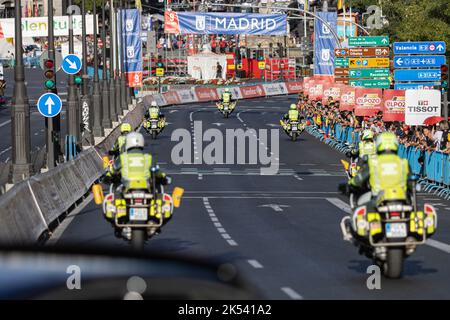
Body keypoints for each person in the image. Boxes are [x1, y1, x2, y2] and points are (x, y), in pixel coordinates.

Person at [342, 132, 412, 211]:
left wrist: (349, 184)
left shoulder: (372, 159)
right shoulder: (403, 162)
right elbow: (411, 183)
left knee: (360, 209)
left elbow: (355, 153)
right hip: (400, 198)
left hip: (378, 196)